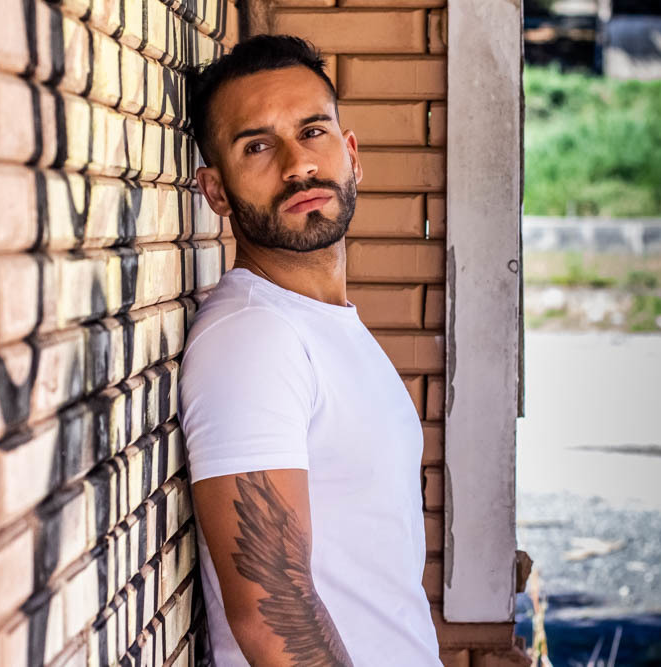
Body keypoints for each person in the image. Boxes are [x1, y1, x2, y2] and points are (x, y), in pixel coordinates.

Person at [178, 35, 442, 666]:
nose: (298, 164)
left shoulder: (321, 323)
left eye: (313, 131)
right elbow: (274, 615)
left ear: (351, 154)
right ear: (216, 191)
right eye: (257, 146)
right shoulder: (253, 338)